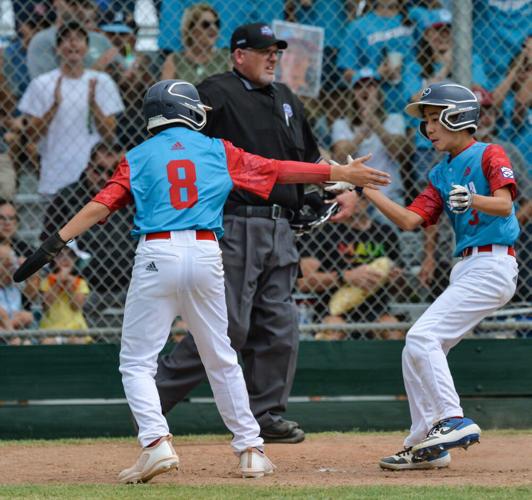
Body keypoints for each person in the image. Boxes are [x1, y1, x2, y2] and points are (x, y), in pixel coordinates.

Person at [13, 79, 389, 482]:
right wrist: (337, 171)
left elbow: (100, 205)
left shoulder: (138, 155)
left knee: (137, 362)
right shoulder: (217, 149)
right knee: (222, 355)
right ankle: (250, 449)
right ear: (188, 111)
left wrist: (55, 242)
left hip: (158, 253)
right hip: (208, 251)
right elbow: (277, 169)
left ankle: (156, 444)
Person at [155, 23, 354, 445]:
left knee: (279, 326)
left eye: (276, 51)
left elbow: (307, 158)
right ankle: (151, 401)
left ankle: (265, 414)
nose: (272, 57)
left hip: (281, 225)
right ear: (238, 54)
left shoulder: (286, 99)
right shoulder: (215, 91)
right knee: (228, 327)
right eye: (263, 50)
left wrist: (332, 187)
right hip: (235, 222)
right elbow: (182, 146)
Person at [360, 82, 519, 470]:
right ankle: (424, 443)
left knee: (422, 336)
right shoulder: (439, 172)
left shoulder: (488, 152)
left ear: (458, 117)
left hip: (493, 263)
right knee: (417, 350)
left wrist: (474, 199)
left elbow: (504, 205)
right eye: (427, 121)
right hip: (466, 267)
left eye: (435, 119)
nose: (429, 128)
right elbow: (410, 220)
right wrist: (366, 189)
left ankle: (452, 418)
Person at [18, 21, 125, 197]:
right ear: (58, 49)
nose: (73, 43)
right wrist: (54, 106)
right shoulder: (41, 83)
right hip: (55, 175)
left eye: (79, 39)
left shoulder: (102, 81)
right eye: (67, 39)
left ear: (87, 48)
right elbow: (31, 136)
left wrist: (94, 105)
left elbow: (110, 134)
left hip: (93, 177)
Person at [40, 142, 134, 328]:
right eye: (99, 170)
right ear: (88, 167)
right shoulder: (67, 197)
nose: (104, 177)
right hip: (82, 286)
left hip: (129, 284)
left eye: (111, 172)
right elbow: (47, 238)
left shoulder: (130, 197)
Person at [297, 194, 403, 341]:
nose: (358, 201)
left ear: (368, 200)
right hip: (332, 310)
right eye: (350, 195)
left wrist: (394, 279)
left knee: (394, 331)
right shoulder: (323, 232)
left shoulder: (385, 233)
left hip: (377, 309)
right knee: (333, 332)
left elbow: (400, 288)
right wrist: (346, 276)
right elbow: (304, 282)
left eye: (361, 196)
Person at [26, 0, 113, 79]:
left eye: (83, 4)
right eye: (72, 3)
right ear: (56, 2)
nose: (79, 9)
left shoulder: (100, 38)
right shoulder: (42, 40)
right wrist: (98, 67)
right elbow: (47, 86)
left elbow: (123, 73)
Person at [160, 4, 230, 85]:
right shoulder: (174, 60)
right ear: (191, 30)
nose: (213, 28)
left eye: (216, 24)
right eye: (206, 24)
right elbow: (164, 94)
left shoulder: (226, 58)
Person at [39, 246, 90, 339]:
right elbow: (46, 305)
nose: (65, 259)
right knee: (48, 342)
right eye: (60, 255)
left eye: (70, 255)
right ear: (54, 260)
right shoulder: (47, 281)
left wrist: (69, 284)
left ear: (75, 260)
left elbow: (76, 306)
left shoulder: (80, 282)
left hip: (76, 328)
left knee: (77, 341)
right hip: (51, 328)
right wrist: (58, 283)